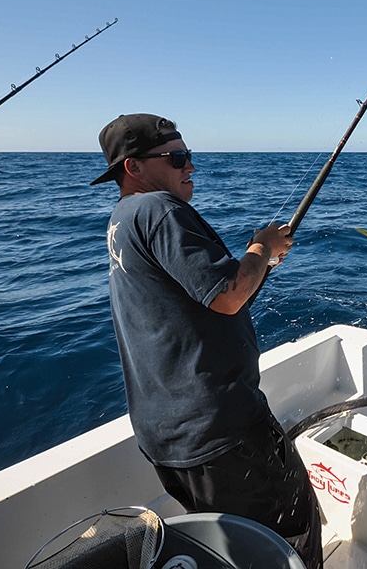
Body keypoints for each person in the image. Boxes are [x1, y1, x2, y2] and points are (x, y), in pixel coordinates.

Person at [91, 113, 322, 568]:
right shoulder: (158, 209)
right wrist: (261, 249)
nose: (189, 165)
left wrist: (259, 265)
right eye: (176, 157)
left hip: (168, 437)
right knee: (290, 534)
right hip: (221, 431)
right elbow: (230, 296)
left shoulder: (123, 218)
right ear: (133, 168)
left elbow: (195, 301)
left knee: (234, 547)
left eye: (188, 155)